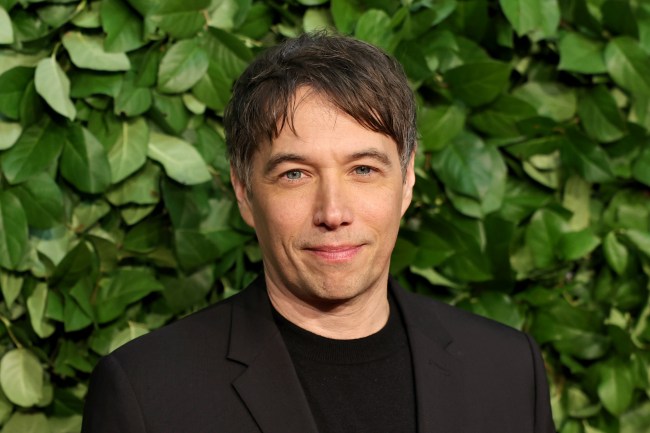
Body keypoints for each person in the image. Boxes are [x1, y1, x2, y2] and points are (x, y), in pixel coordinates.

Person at [81, 32, 556, 433]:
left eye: (364, 169)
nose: (333, 212)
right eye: (295, 174)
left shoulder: (508, 369)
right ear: (244, 192)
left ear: (407, 180)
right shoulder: (147, 393)